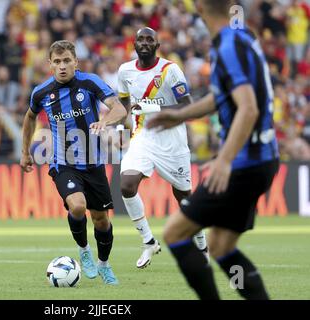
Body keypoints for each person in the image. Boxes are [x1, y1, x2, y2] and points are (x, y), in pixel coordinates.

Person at [146, 0, 279, 300]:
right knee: (221, 247)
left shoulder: (229, 45)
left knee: (175, 234)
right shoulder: (240, 38)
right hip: (261, 159)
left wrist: (224, 160)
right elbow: (224, 95)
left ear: (200, 6)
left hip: (245, 163)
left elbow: (248, 108)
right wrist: (180, 115)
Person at [20, 40, 127, 285]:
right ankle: (84, 250)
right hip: (63, 163)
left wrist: (105, 121)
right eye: (57, 62)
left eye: (67, 60)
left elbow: (119, 109)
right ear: (50, 65)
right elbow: (29, 117)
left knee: (101, 219)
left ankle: (104, 264)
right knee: (78, 207)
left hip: (94, 163)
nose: (62, 66)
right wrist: (25, 152)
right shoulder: (42, 92)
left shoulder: (89, 83)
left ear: (75, 62)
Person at [117, 27, 209, 269]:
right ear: (134, 43)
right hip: (143, 138)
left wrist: (153, 109)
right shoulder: (125, 71)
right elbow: (124, 105)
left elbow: (188, 107)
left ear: (157, 45)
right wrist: (121, 131)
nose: (144, 43)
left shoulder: (170, 70)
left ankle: (201, 243)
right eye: (140, 39)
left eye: (150, 39)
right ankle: (148, 241)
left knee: (184, 197)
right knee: (126, 185)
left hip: (172, 141)